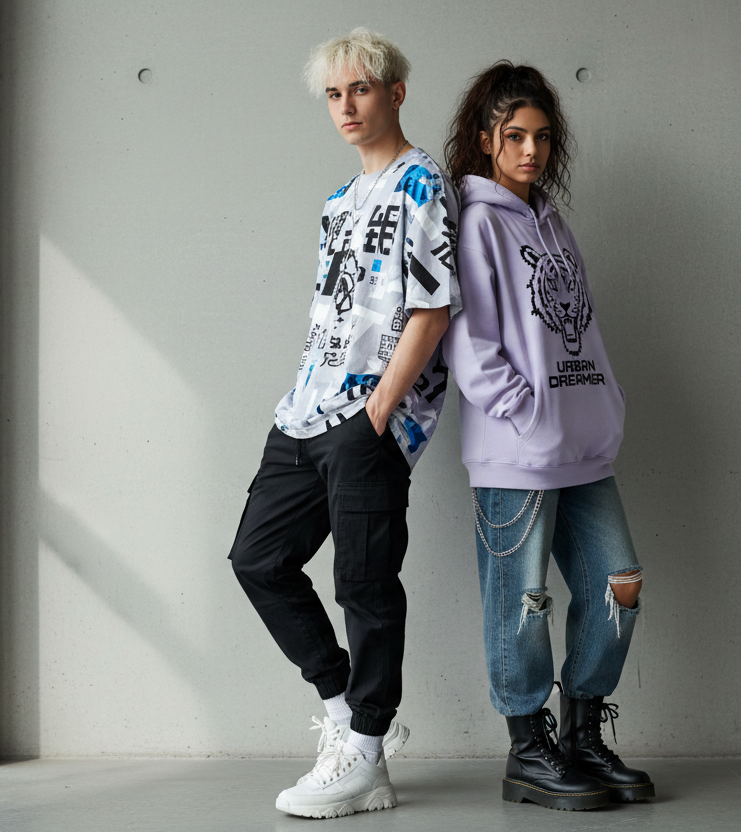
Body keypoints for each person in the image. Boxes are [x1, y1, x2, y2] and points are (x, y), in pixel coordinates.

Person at [228, 27, 459, 819]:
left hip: (367, 419)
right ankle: (345, 718)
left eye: (360, 89)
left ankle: (365, 751)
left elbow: (432, 307)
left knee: (364, 583)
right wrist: (309, 400)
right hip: (304, 413)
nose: (346, 106)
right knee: (258, 559)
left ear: (395, 92)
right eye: (334, 94)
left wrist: (380, 412)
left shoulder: (421, 183)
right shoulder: (337, 202)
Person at [442, 62, 654, 811]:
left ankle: (583, 738)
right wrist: (528, 414)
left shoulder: (553, 224)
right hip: (515, 454)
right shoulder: (475, 223)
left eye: (541, 137)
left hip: (584, 447)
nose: (530, 150)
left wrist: (605, 403)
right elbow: (469, 344)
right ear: (485, 139)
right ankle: (528, 751)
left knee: (618, 585)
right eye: (515, 137)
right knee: (523, 602)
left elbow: (580, 333)